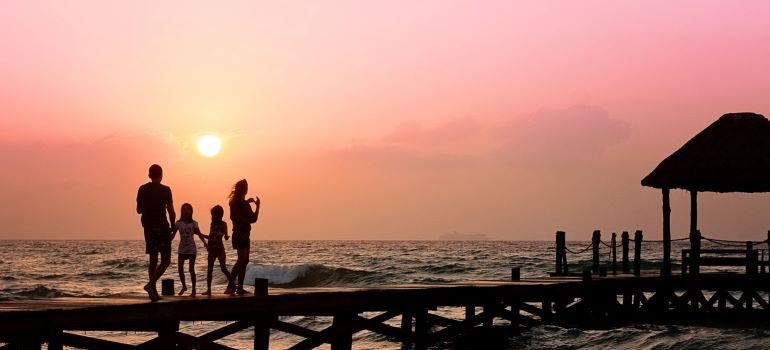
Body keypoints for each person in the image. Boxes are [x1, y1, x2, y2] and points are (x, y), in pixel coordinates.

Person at [136, 164, 175, 301]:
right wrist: (173, 226)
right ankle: (151, 284)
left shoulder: (142, 189)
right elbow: (171, 211)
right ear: (162, 175)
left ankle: (153, 292)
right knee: (166, 260)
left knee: (153, 260)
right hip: (162, 227)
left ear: (149, 175)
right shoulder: (166, 190)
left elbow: (138, 210)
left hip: (148, 227)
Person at [227, 179, 260, 295]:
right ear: (245, 189)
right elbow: (253, 219)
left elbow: (237, 214)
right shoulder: (242, 204)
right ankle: (231, 286)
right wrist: (258, 206)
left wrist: (247, 201)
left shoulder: (234, 203)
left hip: (239, 234)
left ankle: (237, 287)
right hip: (242, 234)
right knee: (242, 261)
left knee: (244, 261)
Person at [198, 205, 234, 296]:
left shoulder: (223, 224)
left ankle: (233, 285)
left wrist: (226, 236)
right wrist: (201, 234)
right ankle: (209, 290)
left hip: (220, 249)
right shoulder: (212, 224)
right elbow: (210, 237)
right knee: (209, 270)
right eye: (212, 215)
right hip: (211, 249)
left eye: (214, 215)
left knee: (223, 268)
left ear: (219, 215)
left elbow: (225, 236)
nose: (212, 216)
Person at [173, 203, 207, 296]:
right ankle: (184, 286)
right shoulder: (178, 223)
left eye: (188, 209)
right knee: (180, 269)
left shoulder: (194, 223)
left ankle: (194, 290)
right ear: (181, 211)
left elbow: (199, 234)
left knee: (191, 269)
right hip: (182, 249)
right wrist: (167, 241)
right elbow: (172, 235)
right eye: (184, 209)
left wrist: (205, 243)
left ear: (191, 211)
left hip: (191, 249)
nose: (186, 211)